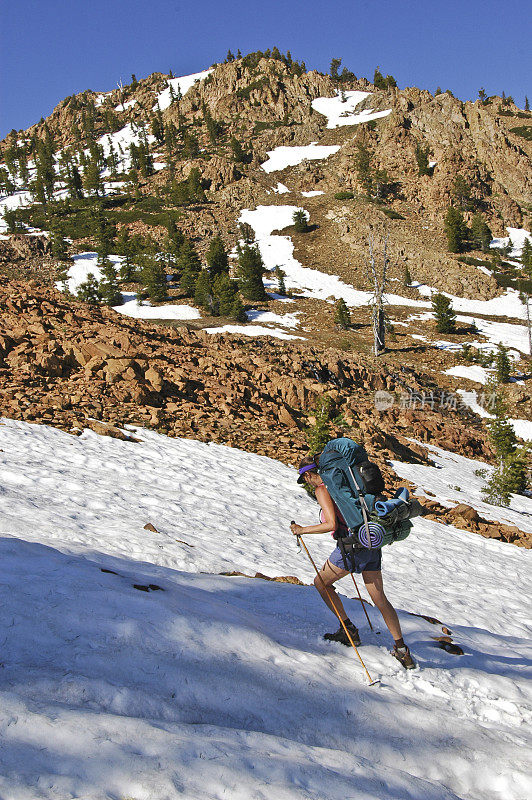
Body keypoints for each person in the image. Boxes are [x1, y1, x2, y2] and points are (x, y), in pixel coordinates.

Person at [290, 454, 416, 669]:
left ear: (309, 474)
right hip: (371, 541)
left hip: (350, 547)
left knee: (321, 583)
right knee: (380, 599)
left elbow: (330, 524)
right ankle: (401, 650)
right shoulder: (348, 484)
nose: (309, 485)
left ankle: (348, 630)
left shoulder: (323, 489)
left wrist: (302, 530)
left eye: (307, 480)